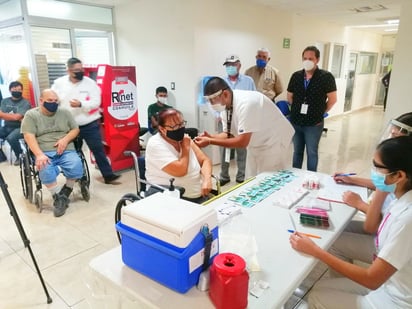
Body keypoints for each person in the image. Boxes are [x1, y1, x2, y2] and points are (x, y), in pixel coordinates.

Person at [290, 135, 412, 308]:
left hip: (396, 299)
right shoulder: (403, 197)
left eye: (377, 168)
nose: (374, 173)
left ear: (399, 175)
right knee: (319, 288)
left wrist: (316, 250)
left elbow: (372, 279)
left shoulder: (407, 219)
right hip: (389, 283)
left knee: (318, 296)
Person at [194, 76, 294, 177]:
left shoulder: (247, 103)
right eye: (209, 101)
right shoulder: (225, 106)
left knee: (269, 180)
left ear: (225, 94)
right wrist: (210, 137)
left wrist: (210, 141)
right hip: (255, 143)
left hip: (273, 141)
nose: (211, 104)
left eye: (212, 100)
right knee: (252, 179)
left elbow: (242, 142)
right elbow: (228, 134)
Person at [52, 57, 120, 184]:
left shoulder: (89, 83)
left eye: (81, 69)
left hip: (89, 123)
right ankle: (79, 176)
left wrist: (81, 104)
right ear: (69, 70)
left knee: (98, 149)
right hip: (69, 126)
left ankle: (108, 175)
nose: (80, 72)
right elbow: (53, 99)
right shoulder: (59, 84)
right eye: (76, 70)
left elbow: (96, 102)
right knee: (74, 153)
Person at [21, 89, 83, 217]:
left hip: (66, 148)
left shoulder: (65, 113)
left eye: (56, 101)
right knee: (44, 167)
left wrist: (65, 140)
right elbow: (28, 135)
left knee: (76, 164)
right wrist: (39, 154)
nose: (53, 103)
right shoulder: (31, 115)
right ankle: (57, 196)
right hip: (43, 150)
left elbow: (75, 129)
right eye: (49, 101)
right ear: (41, 100)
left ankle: (65, 192)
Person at [145, 108, 212, 203]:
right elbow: (181, 170)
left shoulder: (184, 139)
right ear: (162, 129)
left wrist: (207, 179)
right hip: (170, 199)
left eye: (181, 124)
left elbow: (205, 160)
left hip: (199, 197)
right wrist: (185, 148)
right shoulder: (155, 144)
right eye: (174, 126)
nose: (180, 128)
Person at [287, 45, 337, 172]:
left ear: (317, 60)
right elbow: (290, 96)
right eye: (305, 58)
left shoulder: (326, 77)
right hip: (296, 122)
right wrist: (296, 109)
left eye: (311, 58)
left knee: (312, 152)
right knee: (297, 151)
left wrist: (321, 112)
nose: (307, 61)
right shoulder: (296, 76)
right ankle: (295, 177)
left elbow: (332, 99)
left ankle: (311, 177)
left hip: (314, 123)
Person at [219, 54, 256, 185]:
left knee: (242, 148)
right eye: (228, 65)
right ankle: (224, 176)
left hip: (242, 119)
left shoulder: (248, 81)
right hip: (225, 117)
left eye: (233, 65)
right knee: (225, 148)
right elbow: (216, 101)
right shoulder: (221, 82)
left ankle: (241, 176)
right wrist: (218, 115)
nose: (230, 67)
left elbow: (253, 99)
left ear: (239, 65)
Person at [0, 81, 31, 165]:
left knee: (11, 138)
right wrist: (14, 116)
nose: (17, 91)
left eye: (19, 89)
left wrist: (4, 115)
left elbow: (16, 117)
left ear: (22, 91)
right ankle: (1, 155)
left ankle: (20, 156)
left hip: (21, 127)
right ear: (10, 90)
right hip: (7, 126)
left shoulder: (25, 103)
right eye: (14, 89)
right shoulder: (4, 101)